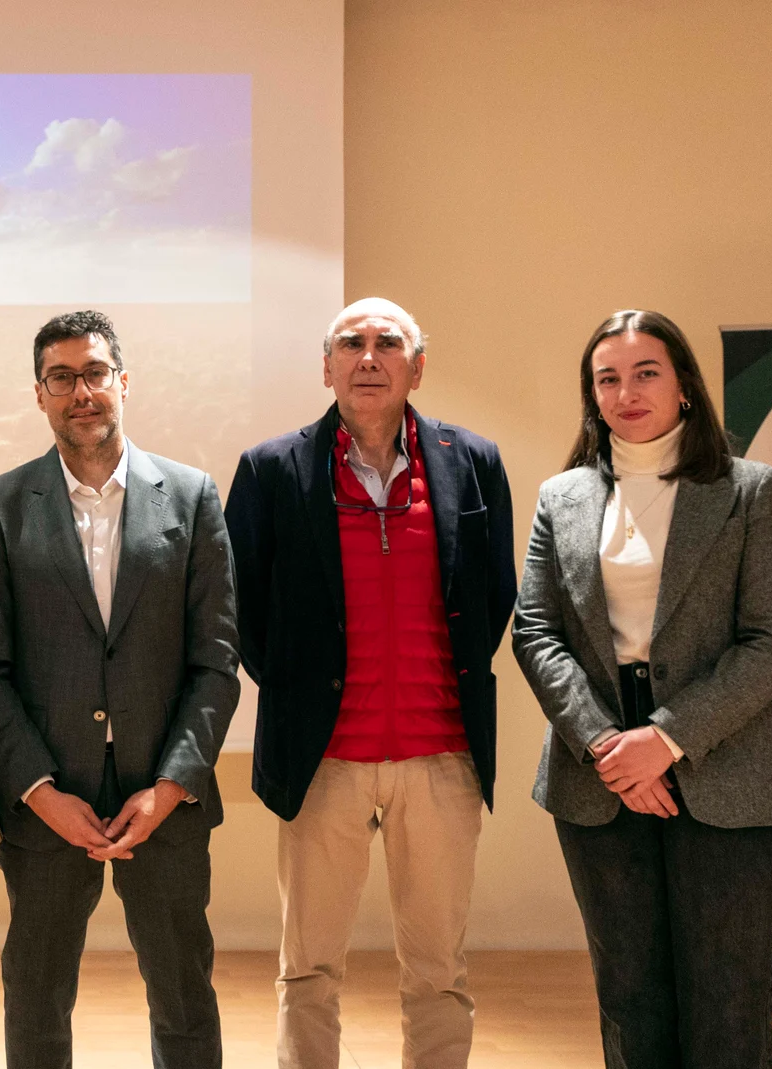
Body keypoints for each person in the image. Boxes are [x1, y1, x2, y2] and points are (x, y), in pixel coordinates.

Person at [512, 309, 772, 1068]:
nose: (626, 391)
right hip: (598, 774)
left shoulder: (748, 490)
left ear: (684, 387)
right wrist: (609, 745)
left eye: (646, 372)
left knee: (729, 994)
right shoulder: (562, 496)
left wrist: (667, 737)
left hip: (728, 767)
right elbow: (534, 632)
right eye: (607, 377)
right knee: (629, 991)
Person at [225, 297, 516, 1069]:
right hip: (323, 761)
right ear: (326, 367)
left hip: (442, 756)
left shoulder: (474, 460)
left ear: (417, 366)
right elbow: (240, 605)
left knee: (439, 971)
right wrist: (294, 690)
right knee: (310, 967)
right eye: (350, 343)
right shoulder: (270, 468)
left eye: (389, 343)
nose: (368, 356)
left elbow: (495, 595)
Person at [0, 310, 240, 1068]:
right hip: (48, 800)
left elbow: (216, 663)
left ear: (123, 382)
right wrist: (39, 790)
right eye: (62, 378)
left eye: (94, 373)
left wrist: (170, 787)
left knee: (184, 996)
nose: (80, 391)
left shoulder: (191, 497)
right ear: (39, 395)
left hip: (165, 801)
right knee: (36, 995)